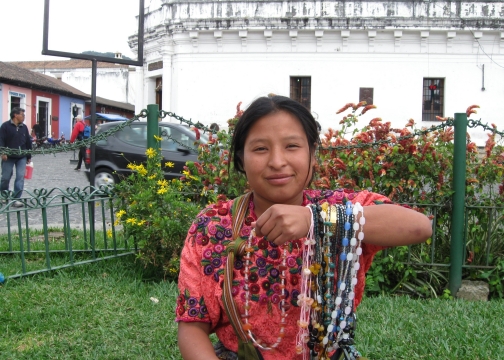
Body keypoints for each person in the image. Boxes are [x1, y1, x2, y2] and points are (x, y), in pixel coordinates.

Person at [176, 96, 432, 360]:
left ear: (312, 153)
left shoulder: (338, 207)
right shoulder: (214, 225)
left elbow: (418, 226)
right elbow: (192, 326)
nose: (277, 161)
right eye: (261, 149)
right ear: (241, 159)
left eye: (292, 146)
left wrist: (315, 219)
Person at [0, 107, 32, 206]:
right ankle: (3, 196)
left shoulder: (24, 127)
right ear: (15, 115)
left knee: (20, 177)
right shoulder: (5, 126)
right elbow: (1, 140)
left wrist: (28, 155)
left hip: (21, 156)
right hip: (8, 156)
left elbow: (28, 141)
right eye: (22, 115)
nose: (24, 117)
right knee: (5, 177)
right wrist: (3, 152)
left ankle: (16, 199)